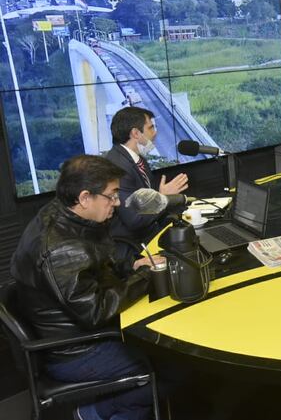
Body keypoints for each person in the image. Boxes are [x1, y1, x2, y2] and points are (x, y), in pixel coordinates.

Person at [10, 155, 159, 420]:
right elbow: (97, 311)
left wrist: (131, 268)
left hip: (72, 335)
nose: (118, 202)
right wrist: (148, 276)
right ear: (84, 197)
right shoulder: (62, 248)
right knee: (171, 366)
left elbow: (98, 265)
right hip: (77, 351)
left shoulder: (63, 214)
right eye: (112, 195)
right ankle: (92, 413)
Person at [106, 106, 188, 257]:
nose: (155, 133)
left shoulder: (137, 159)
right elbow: (134, 219)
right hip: (132, 249)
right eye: (150, 128)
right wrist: (162, 197)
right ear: (136, 133)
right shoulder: (117, 166)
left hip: (149, 233)